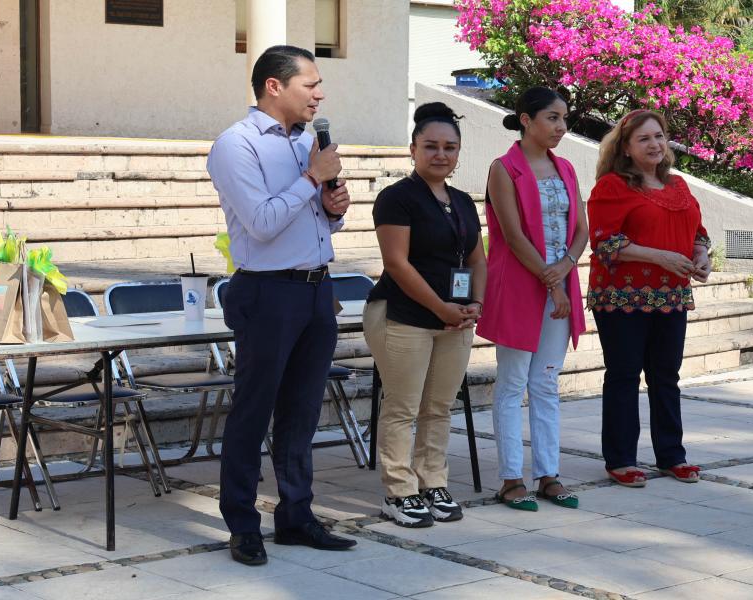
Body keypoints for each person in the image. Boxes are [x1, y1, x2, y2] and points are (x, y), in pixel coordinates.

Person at [207, 45, 357, 566]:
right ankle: (243, 524)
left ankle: (296, 515)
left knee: (302, 413)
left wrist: (332, 208)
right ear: (275, 86)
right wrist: (313, 179)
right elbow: (263, 224)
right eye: (309, 84)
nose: (320, 94)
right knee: (253, 412)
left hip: (317, 290)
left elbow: (314, 219)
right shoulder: (236, 145)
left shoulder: (308, 143)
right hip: (266, 291)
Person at [363, 102, 487, 528]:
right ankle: (399, 491)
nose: (441, 154)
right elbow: (397, 263)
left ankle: (432, 481)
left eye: (450, 147)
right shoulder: (397, 198)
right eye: (431, 146)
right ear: (412, 149)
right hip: (403, 316)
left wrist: (475, 305)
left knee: (439, 406)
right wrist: (441, 308)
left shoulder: (462, 202)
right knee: (402, 407)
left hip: (454, 319)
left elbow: (477, 260)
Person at [587, 110, 712, 488]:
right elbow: (604, 241)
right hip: (621, 298)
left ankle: (672, 456)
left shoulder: (678, 186)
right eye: (644, 139)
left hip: (671, 296)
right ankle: (621, 459)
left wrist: (701, 255)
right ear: (625, 148)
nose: (655, 144)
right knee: (624, 376)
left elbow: (698, 232)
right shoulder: (611, 187)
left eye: (658, 136)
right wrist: (658, 255)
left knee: (666, 378)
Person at [477, 87, 588, 511]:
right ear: (526, 119)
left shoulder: (566, 168)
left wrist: (567, 265)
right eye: (552, 118)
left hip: (559, 285)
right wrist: (552, 280)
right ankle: (510, 479)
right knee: (511, 384)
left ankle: (548, 474)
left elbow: (581, 227)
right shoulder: (503, 169)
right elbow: (511, 234)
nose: (561, 126)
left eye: (564, 118)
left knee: (545, 383)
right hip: (522, 289)